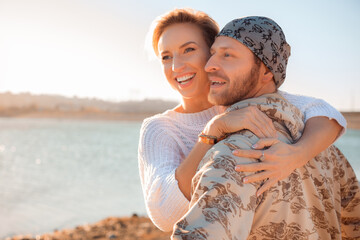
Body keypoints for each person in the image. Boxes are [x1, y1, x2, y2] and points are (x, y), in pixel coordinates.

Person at [138, 9, 347, 232]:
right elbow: (165, 215)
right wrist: (212, 131)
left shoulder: (241, 98)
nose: (175, 66)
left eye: (188, 50)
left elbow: (325, 112)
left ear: (211, 53)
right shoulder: (159, 128)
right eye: (166, 57)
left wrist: (297, 155)